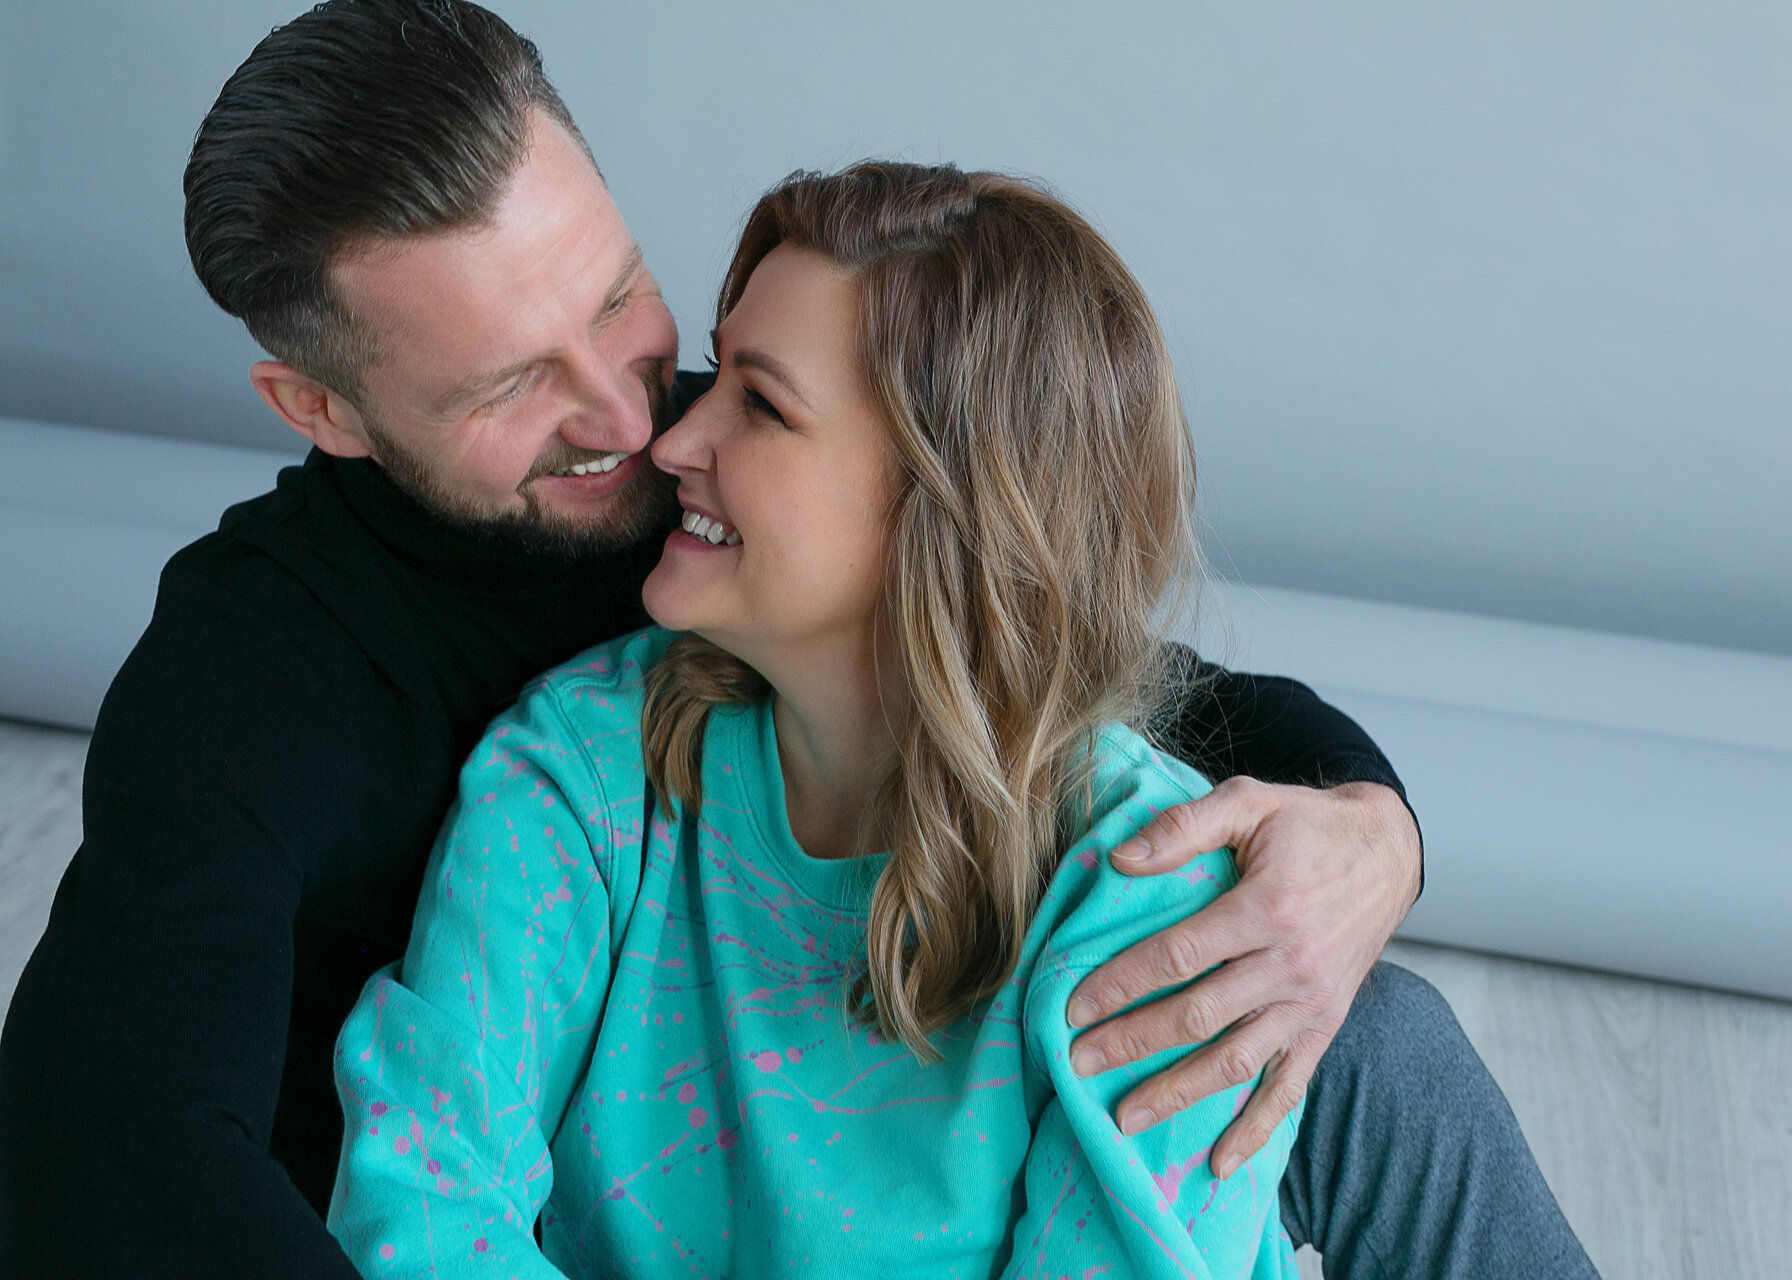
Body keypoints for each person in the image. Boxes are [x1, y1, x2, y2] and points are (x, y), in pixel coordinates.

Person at [0, 3, 1595, 1278]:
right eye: (510, 387)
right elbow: (118, 1148)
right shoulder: (273, 686)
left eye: (620, 302)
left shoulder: (763, 492)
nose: (636, 421)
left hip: (935, 1085)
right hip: (425, 1212)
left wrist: (1373, 830)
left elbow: (1067, 675)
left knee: (1356, 1027)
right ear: (324, 409)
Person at [332, 159, 1299, 1277]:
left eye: (762, 404)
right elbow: (423, 1207)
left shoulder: (1156, 900)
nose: (670, 443)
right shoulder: (579, 772)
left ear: (947, 506)